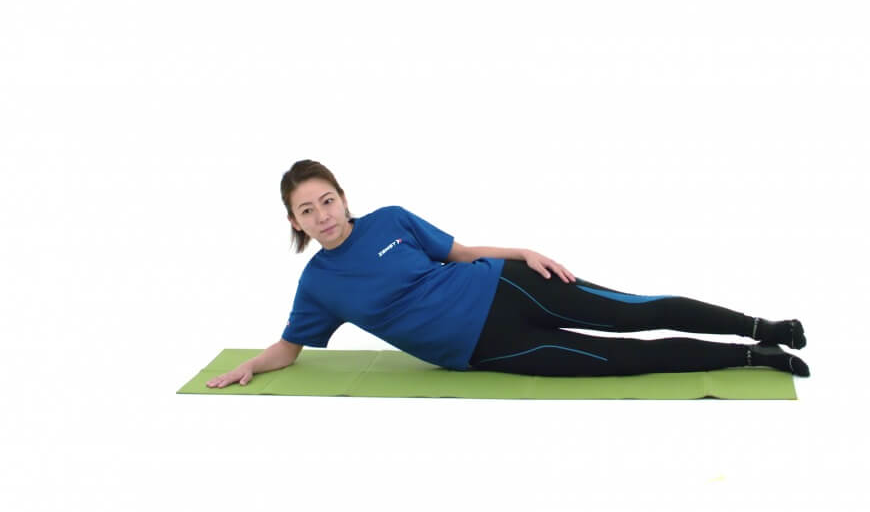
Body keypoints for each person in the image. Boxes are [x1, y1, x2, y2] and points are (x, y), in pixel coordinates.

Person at [206, 159, 810, 389]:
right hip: (487, 348)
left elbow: (461, 251)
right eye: (307, 210)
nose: (323, 215)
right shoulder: (318, 284)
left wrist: (523, 252)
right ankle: (755, 358)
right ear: (295, 222)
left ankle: (765, 326)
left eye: (328, 200)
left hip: (506, 285)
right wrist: (249, 366)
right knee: (620, 359)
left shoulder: (390, 219)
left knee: (635, 312)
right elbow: (290, 347)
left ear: (343, 197)